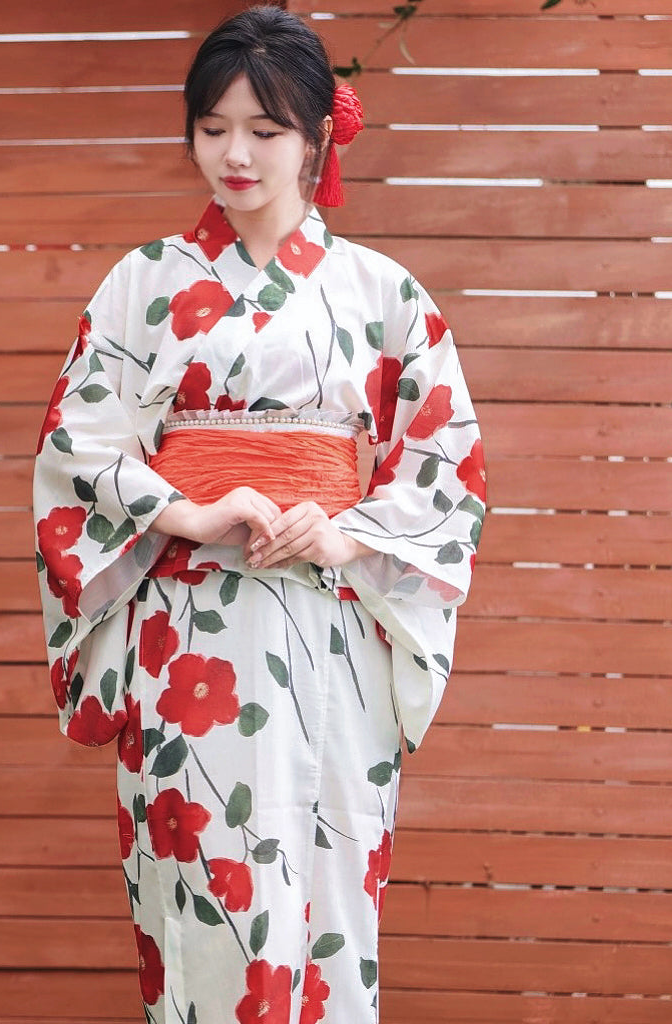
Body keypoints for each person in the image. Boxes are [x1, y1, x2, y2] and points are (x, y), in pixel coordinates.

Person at [33, 5, 485, 1022]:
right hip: (185, 638)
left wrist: (343, 533)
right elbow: (76, 447)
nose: (234, 154)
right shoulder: (142, 285)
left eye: (264, 130)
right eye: (212, 128)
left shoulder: (383, 294)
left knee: (328, 905)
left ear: (318, 135)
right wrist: (190, 511)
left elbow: (445, 469)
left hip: (331, 633)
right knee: (197, 903)